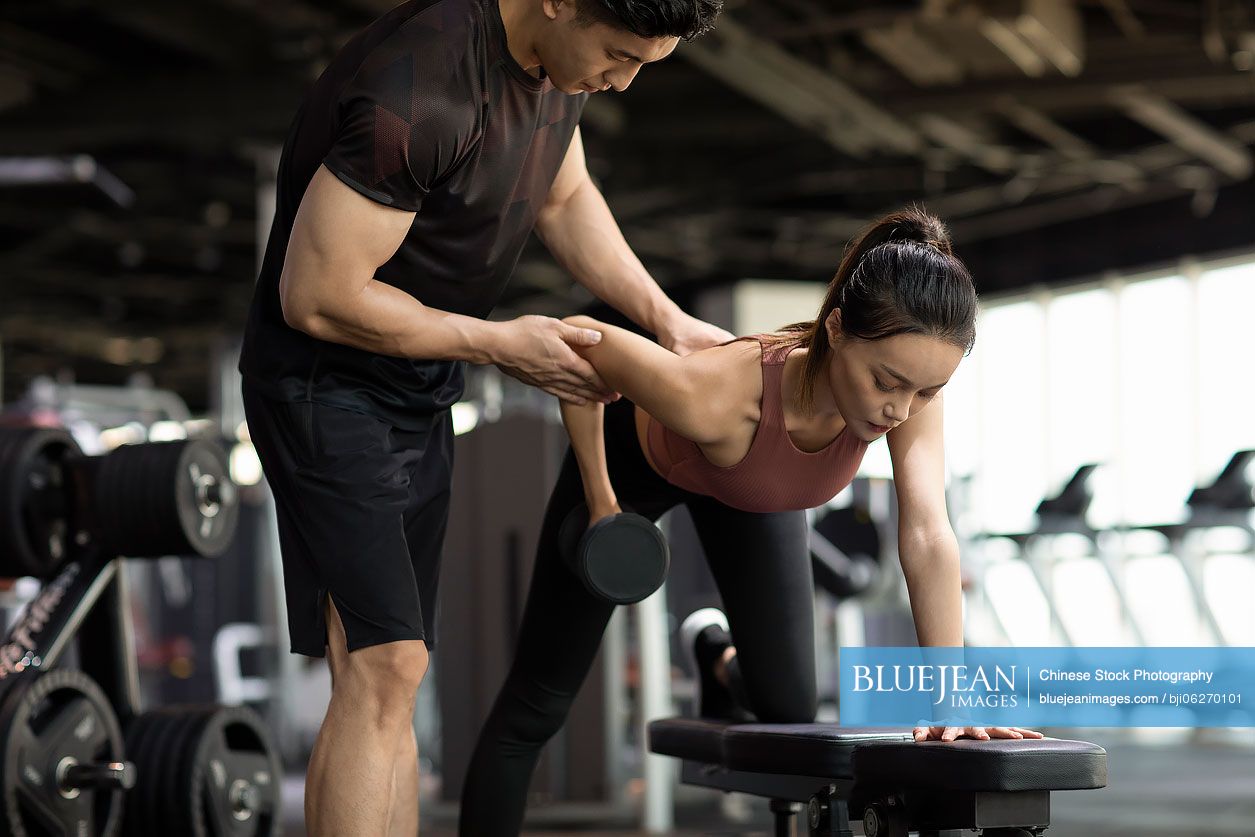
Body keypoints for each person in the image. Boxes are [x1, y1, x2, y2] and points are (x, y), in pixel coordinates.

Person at [237, 0, 731, 834]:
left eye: (643, 63)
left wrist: (668, 320)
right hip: (324, 384)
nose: (620, 81)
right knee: (383, 663)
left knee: (392, 674)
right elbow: (315, 296)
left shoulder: (553, 64)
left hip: (416, 387)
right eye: (617, 53)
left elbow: (562, 195)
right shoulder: (418, 92)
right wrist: (499, 344)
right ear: (559, 1)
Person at [460, 207, 1043, 834]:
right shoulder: (712, 394)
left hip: (750, 487)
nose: (901, 408)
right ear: (839, 330)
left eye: (926, 391)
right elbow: (581, 339)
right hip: (643, 467)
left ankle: (712, 652)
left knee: (787, 704)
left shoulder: (909, 395)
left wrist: (948, 697)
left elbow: (928, 533)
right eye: (886, 381)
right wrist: (601, 498)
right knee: (537, 705)